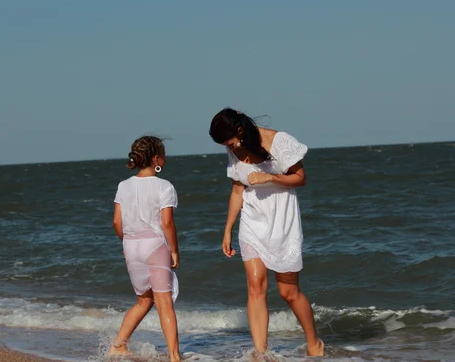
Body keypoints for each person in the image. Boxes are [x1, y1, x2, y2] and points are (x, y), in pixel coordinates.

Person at [209, 108, 324, 357]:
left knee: (288, 292)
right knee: (255, 287)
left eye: (227, 141)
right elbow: (238, 190)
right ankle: (261, 353)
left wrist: (269, 178)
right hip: (252, 221)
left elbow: (300, 178)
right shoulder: (234, 148)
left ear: (239, 130)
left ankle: (314, 342)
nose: (227, 147)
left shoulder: (279, 141)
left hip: (283, 221)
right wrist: (227, 230)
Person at [108, 136, 181, 362]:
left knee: (144, 300)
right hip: (155, 246)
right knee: (165, 303)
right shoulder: (164, 186)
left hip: (131, 246)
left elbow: (117, 222)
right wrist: (174, 251)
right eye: (164, 154)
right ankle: (174, 356)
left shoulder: (123, 185)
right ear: (156, 159)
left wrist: (125, 241)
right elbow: (167, 223)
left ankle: (118, 345)